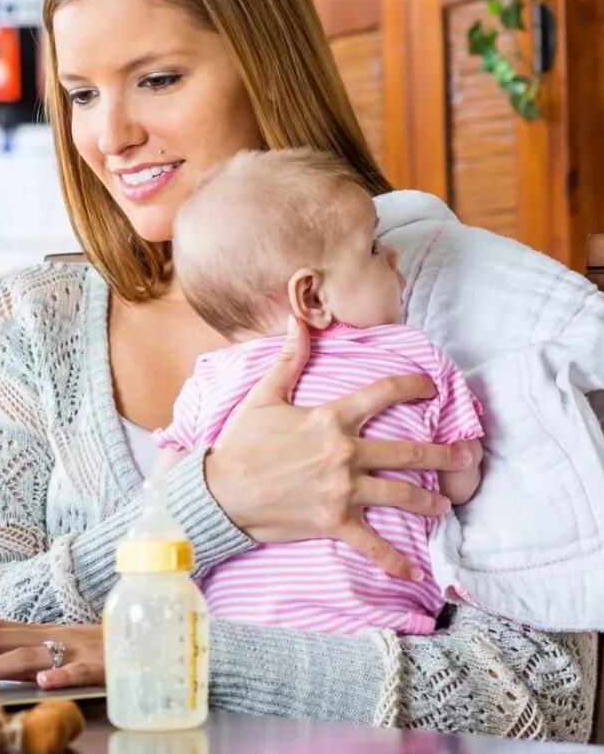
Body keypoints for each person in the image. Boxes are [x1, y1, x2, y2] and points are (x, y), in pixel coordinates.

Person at [0, 0, 597, 740]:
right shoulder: (38, 322)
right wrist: (212, 505)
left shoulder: (442, 298)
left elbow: (537, 696)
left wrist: (171, 655)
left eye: (158, 79)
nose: (111, 136)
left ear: (264, 66)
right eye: (82, 95)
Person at [152, 146, 482, 636]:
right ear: (311, 297)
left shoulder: (212, 378)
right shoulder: (415, 357)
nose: (392, 255)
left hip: (232, 636)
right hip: (381, 632)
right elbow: (461, 481)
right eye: (372, 248)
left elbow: (165, 495)